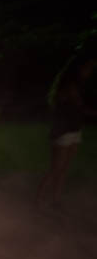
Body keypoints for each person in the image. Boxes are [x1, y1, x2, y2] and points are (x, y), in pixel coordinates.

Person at [37, 54, 96, 209]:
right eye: (88, 67)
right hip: (63, 130)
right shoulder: (69, 85)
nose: (90, 71)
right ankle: (39, 199)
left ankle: (55, 199)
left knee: (64, 168)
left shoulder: (79, 85)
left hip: (74, 129)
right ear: (79, 68)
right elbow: (79, 106)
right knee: (56, 167)